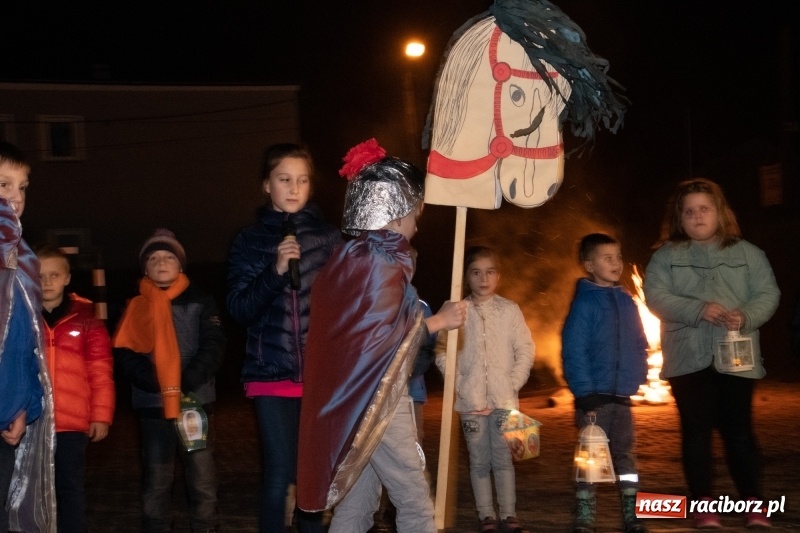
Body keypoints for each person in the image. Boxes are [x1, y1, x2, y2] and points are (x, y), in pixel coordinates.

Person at [296, 138, 467, 533]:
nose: (417, 225)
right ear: (392, 216)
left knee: (359, 503)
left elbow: (369, 334)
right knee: (415, 500)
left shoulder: (350, 258)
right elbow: (381, 342)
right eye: (413, 216)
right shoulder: (377, 262)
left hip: (356, 404)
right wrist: (439, 321)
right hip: (379, 399)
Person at [643, 178, 780, 529]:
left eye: (704, 208)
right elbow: (656, 297)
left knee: (739, 432)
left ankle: (754, 504)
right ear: (679, 218)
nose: (697, 216)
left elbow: (768, 294)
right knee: (696, 431)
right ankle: (704, 505)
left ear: (720, 212)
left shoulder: (749, 254)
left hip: (738, 357)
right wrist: (697, 309)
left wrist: (746, 315)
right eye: (689, 211)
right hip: (688, 358)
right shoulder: (665, 257)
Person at [226, 143, 341, 532]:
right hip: (270, 371)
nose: (294, 188)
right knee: (279, 474)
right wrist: (275, 271)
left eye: (302, 180)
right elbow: (239, 309)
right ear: (266, 185)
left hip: (319, 376)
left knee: (313, 476)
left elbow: (344, 307)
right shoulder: (248, 241)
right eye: (284, 179)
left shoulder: (329, 240)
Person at [113, 229, 226, 532]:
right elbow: (124, 351)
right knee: (156, 477)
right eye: (153, 258)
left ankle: (204, 526)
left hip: (195, 401)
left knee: (202, 477)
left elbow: (214, 344)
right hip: (152, 405)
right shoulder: (135, 305)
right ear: (145, 268)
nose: (161, 262)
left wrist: (186, 380)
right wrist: (153, 382)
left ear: (181, 264)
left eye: (168, 256)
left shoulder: (202, 301)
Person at [435, 245, 534, 533]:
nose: (484, 279)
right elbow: (443, 353)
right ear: (466, 276)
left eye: (490, 272)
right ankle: (486, 515)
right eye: (476, 272)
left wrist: (513, 382)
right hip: (471, 402)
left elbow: (525, 349)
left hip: (505, 401)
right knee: (479, 461)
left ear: (498, 276)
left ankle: (509, 513)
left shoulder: (509, 310)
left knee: (504, 460)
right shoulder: (456, 312)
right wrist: (460, 383)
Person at [560, 233, 648, 533]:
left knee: (625, 455)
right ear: (589, 265)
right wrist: (584, 393)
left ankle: (631, 514)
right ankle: (585, 516)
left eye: (618, 257)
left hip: (622, 397)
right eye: (607, 258)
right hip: (593, 398)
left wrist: (639, 376)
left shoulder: (627, 301)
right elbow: (574, 349)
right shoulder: (585, 303)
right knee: (590, 457)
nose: (616, 263)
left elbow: (639, 341)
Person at [37, 244, 116, 533]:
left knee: (70, 489)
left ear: (67, 278)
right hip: (32, 423)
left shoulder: (86, 319)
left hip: (71, 425)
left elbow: (101, 369)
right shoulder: (20, 314)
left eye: (54, 275)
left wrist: (101, 415)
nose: (46, 282)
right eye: (39, 275)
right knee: (32, 493)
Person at [0, 141, 57, 533]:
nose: (15, 198)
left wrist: (22, 406)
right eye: (4, 185)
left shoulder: (25, 260)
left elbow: (25, 345)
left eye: (22, 187)